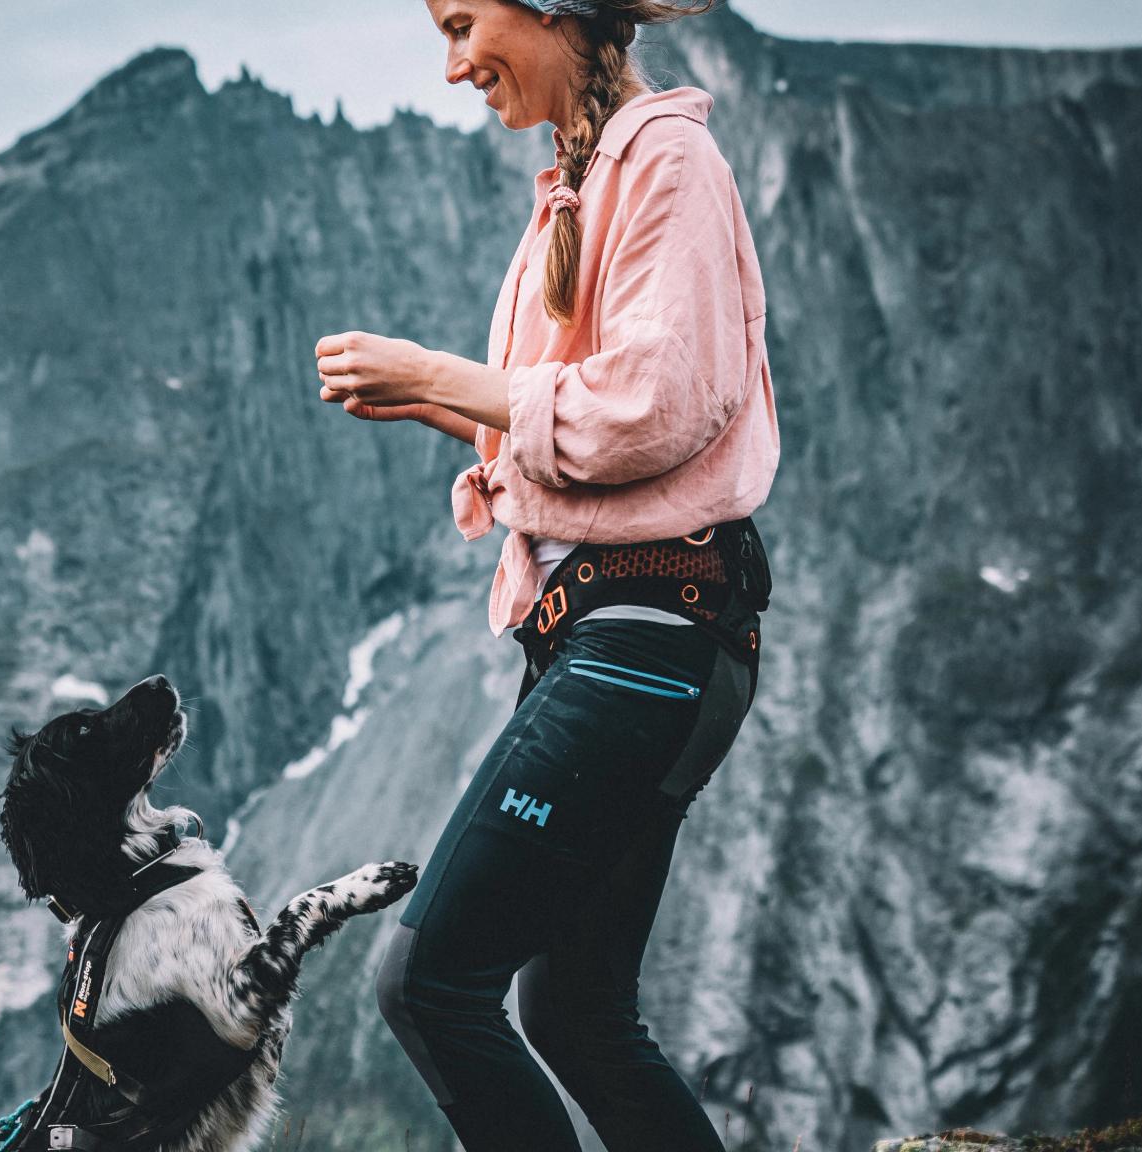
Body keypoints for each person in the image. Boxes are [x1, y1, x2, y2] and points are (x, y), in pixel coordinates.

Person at [311, 1, 779, 1148]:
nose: (454, 62)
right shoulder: (574, 187)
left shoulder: (664, 158)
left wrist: (440, 370)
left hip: (644, 635)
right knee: (575, 1016)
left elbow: (647, 413)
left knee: (427, 985)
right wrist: (436, 403)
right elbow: (568, 437)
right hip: (629, 640)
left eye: (464, 21)